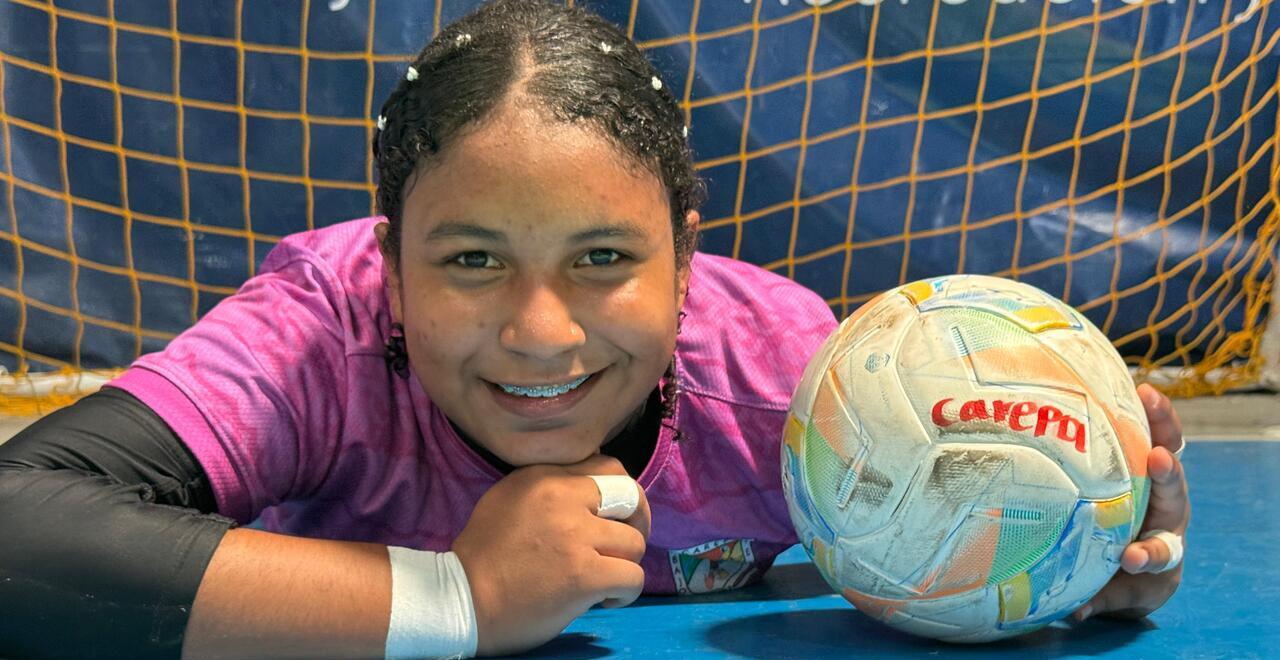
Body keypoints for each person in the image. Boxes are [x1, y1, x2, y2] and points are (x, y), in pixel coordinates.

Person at [0, 1, 1191, 658]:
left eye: (604, 259)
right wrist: (457, 598)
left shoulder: (804, 387)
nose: (540, 334)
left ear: (684, 259)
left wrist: (1053, 556)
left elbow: (951, 522)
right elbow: (19, 526)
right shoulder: (319, 337)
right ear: (391, 265)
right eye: (471, 260)